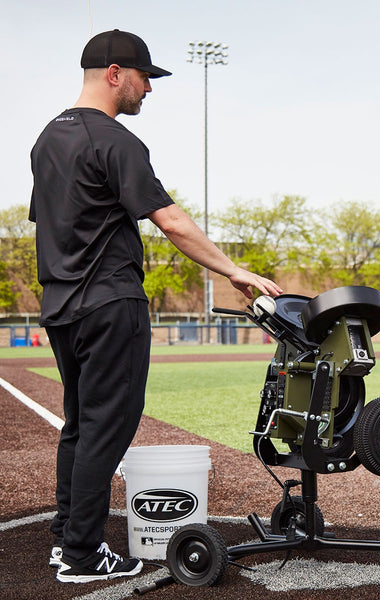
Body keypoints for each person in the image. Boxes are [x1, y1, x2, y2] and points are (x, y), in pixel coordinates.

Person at [29, 29, 282, 584]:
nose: (149, 89)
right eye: (145, 77)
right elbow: (169, 220)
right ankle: (81, 554)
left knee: (81, 425)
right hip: (109, 299)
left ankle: (65, 541)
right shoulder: (115, 140)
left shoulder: (47, 139)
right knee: (106, 428)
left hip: (62, 304)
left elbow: (56, 223)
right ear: (115, 73)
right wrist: (235, 271)